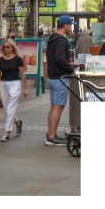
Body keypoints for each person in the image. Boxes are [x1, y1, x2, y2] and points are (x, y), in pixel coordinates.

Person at [44, 17, 75, 145]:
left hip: (52, 76)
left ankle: (50, 133)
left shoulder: (52, 39)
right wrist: (70, 67)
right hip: (60, 78)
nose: (71, 28)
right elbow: (60, 58)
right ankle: (52, 137)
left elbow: (57, 58)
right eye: (70, 25)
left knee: (53, 107)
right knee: (58, 107)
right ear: (65, 25)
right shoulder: (61, 40)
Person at [0, 39, 25, 141]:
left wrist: (24, 89)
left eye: (8, 47)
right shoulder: (1, 60)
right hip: (3, 84)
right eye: (4, 47)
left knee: (11, 108)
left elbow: (23, 74)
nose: (6, 49)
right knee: (7, 111)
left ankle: (7, 133)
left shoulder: (18, 59)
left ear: (12, 47)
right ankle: (18, 122)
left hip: (15, 84)